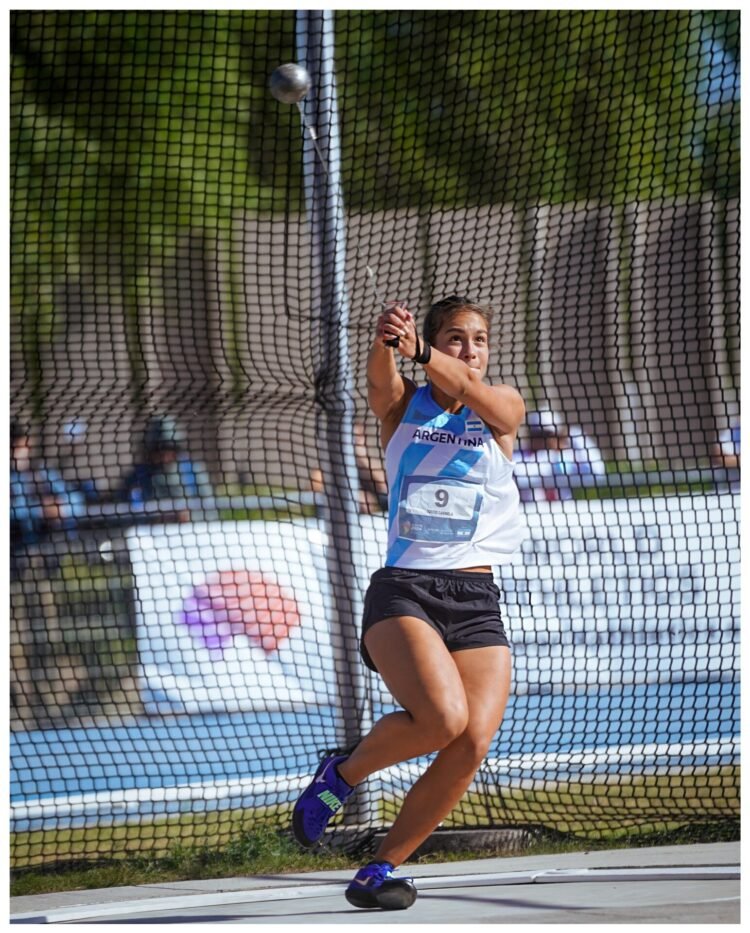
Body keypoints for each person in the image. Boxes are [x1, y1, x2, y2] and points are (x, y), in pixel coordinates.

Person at [292, 295, 526, 910]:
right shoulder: (404, 407)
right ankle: (342, 775)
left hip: (475, 597)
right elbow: (380, 381)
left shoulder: (502, 408)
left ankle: (378, 871)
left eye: (479, 339)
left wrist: (423, 351)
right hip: (405, 591)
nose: (469, 350)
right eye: (455, 338)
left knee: (472, 741)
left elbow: (479, 394)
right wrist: (386, 343)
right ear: (431, 343)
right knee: (442, 719)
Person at [117, 415, 212, 520]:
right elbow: (121, 516)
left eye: (169, 449)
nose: (165, 456)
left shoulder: (193, 472)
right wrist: (153, 518)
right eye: (158, 449)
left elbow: (211, 511)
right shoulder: (136, 478)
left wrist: (190, 516)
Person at [514, 409, 605, 501]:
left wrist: (574, 434)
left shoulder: (565, 458)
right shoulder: (518, 457)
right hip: (531, 509)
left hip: (563, 509)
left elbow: (597, 471)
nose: (544, 440)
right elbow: (521, 478)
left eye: (548, 435)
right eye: (538, 434)